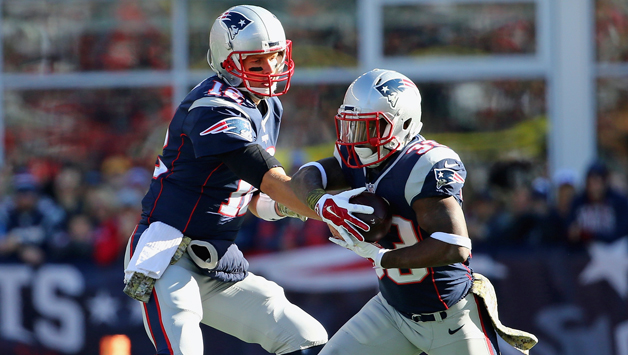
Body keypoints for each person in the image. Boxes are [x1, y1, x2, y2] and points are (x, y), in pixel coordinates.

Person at [123, 5, 333, 354]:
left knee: (306, 337)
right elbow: (267, 178)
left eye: (275, 57)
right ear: (228, 63)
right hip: (169, 256)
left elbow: (253, 196)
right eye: (256, 63)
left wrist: (290, 207)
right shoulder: (213, 106)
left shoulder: (266, 106)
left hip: (217, 261)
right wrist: (326, 209)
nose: (269, 70)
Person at [291, 69, 537, 355]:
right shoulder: (355, 156)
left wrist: (384, 258)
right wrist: (322, 203)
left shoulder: (424, 164)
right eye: (352, 127)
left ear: (403, 123)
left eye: (369, 128)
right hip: (392, 312)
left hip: (451, 317)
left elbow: (455, 245)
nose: (357, 139)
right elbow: (306, 176)